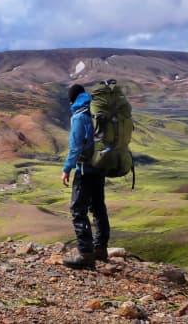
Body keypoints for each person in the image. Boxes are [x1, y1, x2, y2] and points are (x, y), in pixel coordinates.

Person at [60, 84, 110, 269]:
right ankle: (100, 249)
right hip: (100, 166)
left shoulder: (80, 116)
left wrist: (67, 169)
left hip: (85, 170)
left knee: (78, 209)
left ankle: (86, 254)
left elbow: (75, 147)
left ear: (72, 99)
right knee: (98, 207)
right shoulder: (96, 111)